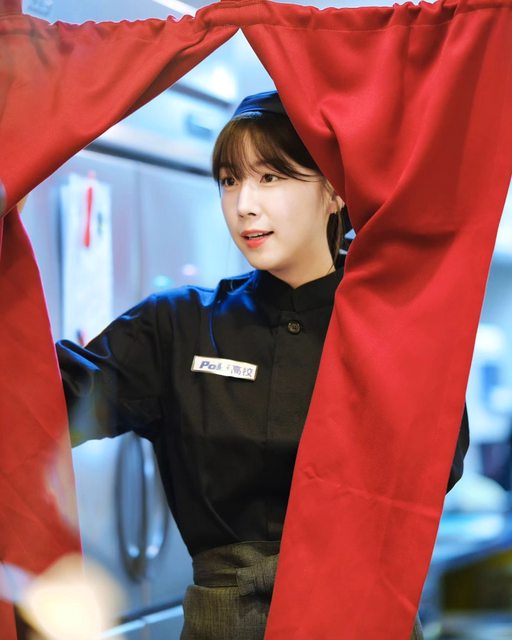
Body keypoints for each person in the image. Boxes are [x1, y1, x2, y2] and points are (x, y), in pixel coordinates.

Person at [57, 91, 469, 640]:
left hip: (363, 620)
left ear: (334, 192)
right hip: (226, 622)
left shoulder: (392, 329)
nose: (244, 204)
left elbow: (437, 467)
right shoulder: (176, 325)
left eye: (270, 177)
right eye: (230, 180)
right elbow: (49, 403)